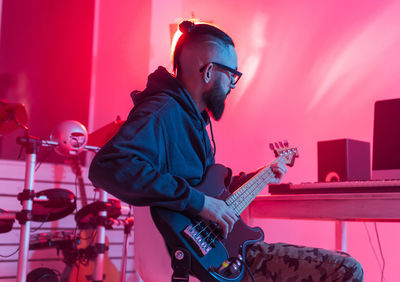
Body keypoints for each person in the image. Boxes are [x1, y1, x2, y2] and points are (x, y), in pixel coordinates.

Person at [89, 20, 363, 281]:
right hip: (193, 259)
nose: (232, 86)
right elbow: (109, 166)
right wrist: (200, 203)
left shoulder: (192, 120)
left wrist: (263, 175)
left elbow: (210, 191)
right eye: (231, 76)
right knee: (347, 269)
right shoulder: (162, 111)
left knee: (342, 261)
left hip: (219, 251)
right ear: (208, 72)